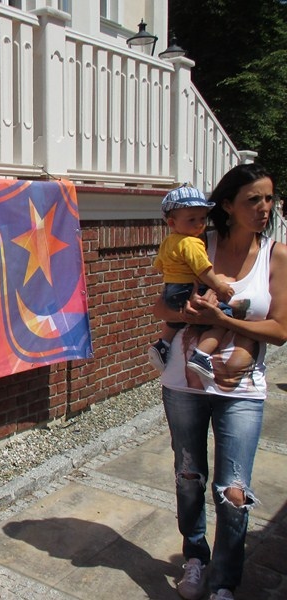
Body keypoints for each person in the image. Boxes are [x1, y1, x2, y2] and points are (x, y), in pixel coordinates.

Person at [153, 163, 287, 600]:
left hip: (242, 390)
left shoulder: (276, 256)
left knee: (233, 491)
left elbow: (280, 330)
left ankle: (225, 582)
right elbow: (161, 307)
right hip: (184, 383)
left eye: (269, 198)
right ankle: (195, 558)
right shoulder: (197, 242)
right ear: (227, 205)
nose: (264, 207)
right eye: (254, 199)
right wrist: (191, 315)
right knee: (188, 476)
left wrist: (222, 320)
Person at [148, 185, 235, 378]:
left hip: (171, 289)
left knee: (176, 319)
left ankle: (162, 344)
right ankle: (202, 355)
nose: (199, 224)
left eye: (203, 218)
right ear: (172, 222)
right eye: (192, 219)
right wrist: (219, 286)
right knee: (223, 317)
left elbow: (159, 265)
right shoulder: (192, 242)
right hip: (188, 287)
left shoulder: (168, 241)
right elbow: (203, 269)